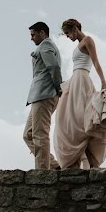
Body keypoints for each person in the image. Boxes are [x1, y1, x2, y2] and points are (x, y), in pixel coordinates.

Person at [54, 18, 106, 168]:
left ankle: (87, 160)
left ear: (75, 28)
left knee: (81, 118)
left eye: (68, 33)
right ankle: (79, 159)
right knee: (69, 119)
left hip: (82, 81)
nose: (68, 37)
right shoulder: (78, 45)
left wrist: (103, 82)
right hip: (74, 82)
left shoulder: (88, 40)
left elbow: (96, 62)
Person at [24, 22, 63, 169]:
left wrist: (58, 88)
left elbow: (53, 67)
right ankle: (53, 165)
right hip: (39, 96)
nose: (31, 38)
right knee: (28, 134)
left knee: (39, 135)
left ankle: (42, 173)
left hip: (44, 94)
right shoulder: (44, 47)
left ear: (42, 33)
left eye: (33, 35)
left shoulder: (45, 46)